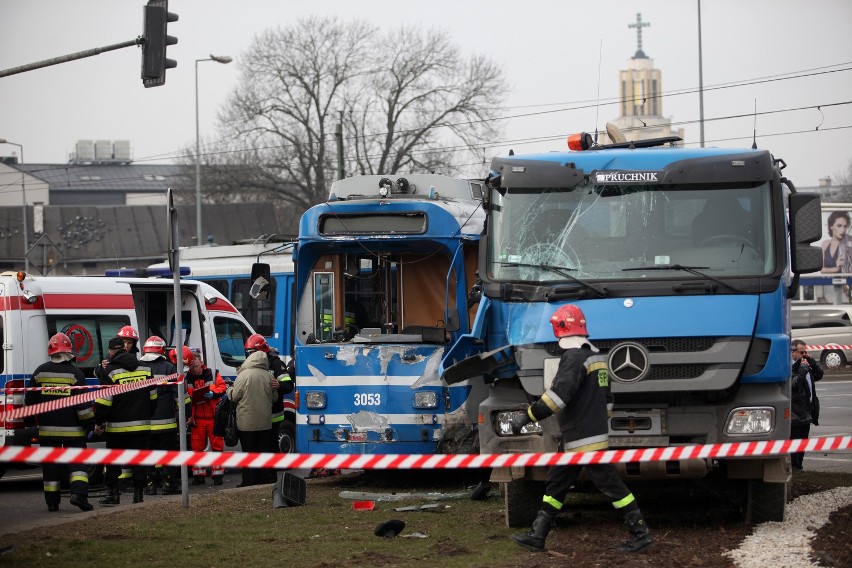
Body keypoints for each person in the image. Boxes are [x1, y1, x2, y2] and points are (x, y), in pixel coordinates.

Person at [509, 304, 654, 554]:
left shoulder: (573, 358)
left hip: (583, 439)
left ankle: (640, 534)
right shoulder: (596, 357)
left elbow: (558, 397)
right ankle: (538, 535)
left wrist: (528, 416)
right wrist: (594, 421)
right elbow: (608, 399)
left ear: (559, 329)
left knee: (612, 486)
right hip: (582, 436)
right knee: (556, 483)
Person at [25, 332, 95, 512]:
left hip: (47, 431)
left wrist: (33, 419)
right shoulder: (76, 373)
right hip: (74, 431)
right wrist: (89, 424)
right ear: (69, 352)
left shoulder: (40, 371)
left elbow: (29, 401)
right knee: (78, 464)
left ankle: (52, 502)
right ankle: (78, 495)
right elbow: (83, 407)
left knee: (51, 467)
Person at [94, 336, 155, 505]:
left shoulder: (110, 371)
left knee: (113, 461)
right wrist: (146, 415)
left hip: (117, 427)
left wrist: (99, 423)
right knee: (139, 460)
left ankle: (113, 495)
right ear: (125, 348)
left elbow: (104, 402)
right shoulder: (145, 368)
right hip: (142, 425)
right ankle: (138, 494)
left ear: (112, 351)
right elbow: (153, 397)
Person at [141, 336, 185, 495]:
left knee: (147, 455)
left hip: (145, 423)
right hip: (166, 424)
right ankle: (168, 485)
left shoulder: (139, 368)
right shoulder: (169, 368)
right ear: (162, 351)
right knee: (169, 455)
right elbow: (180, 395)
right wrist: (186, 413)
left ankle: (150, 486)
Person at [227, 349, 277, 487]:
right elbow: (274, 398)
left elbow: (234, 396)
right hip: (265, 422)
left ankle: (249, 480)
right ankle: (264, 478)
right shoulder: (269, 376)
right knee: (263, 452)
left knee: (249, 452)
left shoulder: (243, 376)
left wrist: (228, 390)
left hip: (246, 423)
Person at [182, 348, 227, 485]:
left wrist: (212, 393)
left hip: (213, 417)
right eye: (191, 367)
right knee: (197, 448)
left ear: (201, 362)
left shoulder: (212, 373)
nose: (194, 370)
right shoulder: (186, 377)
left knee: (217, 447)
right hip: (198, 419)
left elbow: (222, 387)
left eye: (195, 366)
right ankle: (198, 475)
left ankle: (218, 475)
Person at [244, 334, 294, 457]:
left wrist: (279, 385)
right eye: (249, 353)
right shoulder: (248, 365)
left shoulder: (276, 364)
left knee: (271, 447)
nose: (250, 356)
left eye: (252, 352)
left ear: (261, 351)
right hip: (257, 416)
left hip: (273, 415)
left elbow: (289, 385)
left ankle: (271, 475)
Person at [790, 339, 823, 470]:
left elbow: (818, 375)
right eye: (802, 352)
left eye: (806, 352)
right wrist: (803, 369)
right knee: (795, 443)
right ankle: (795, 468)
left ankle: (799, 467)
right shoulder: (788, 367)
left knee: (803, 443)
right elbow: (794, 384)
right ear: (793, 353)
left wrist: (812, 364)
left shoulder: (804, 365)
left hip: (806, 412)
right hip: (794, 413)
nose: (805, 354)